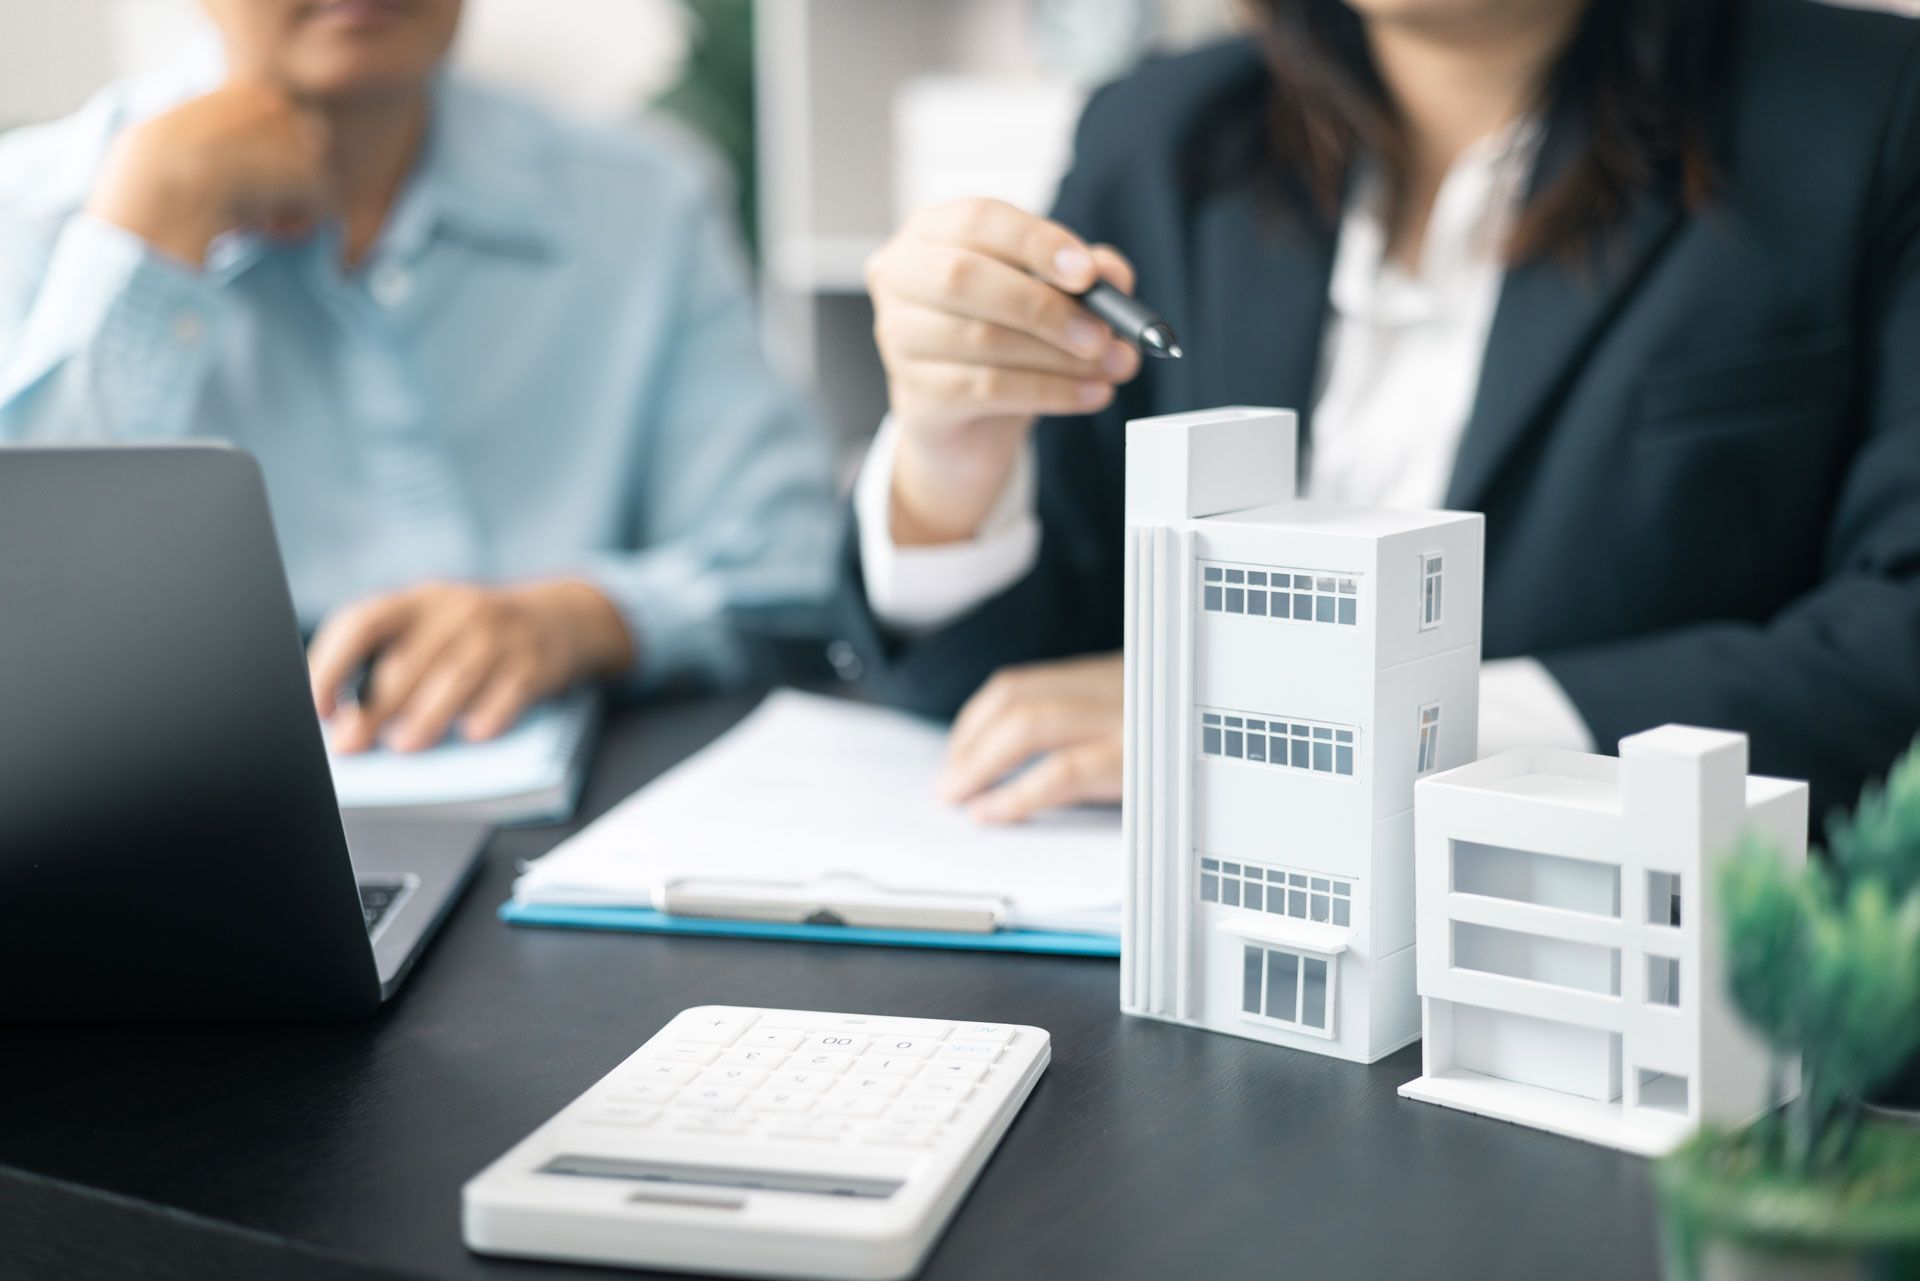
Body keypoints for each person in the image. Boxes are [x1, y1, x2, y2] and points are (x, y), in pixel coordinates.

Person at [842, 0, 1920, 826]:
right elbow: (1012, 699)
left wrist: (1354, 729)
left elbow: (1894, 645)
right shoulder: (1158, 137)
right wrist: (954, 461)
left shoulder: (1868, 112)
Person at [0, 0, 836, 754]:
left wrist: (582, 619)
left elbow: (791, 564)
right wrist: (149, 240)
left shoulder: (645, 202)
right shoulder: (32, 209)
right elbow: (29, 639)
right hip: (165, 817)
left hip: (579, 804)